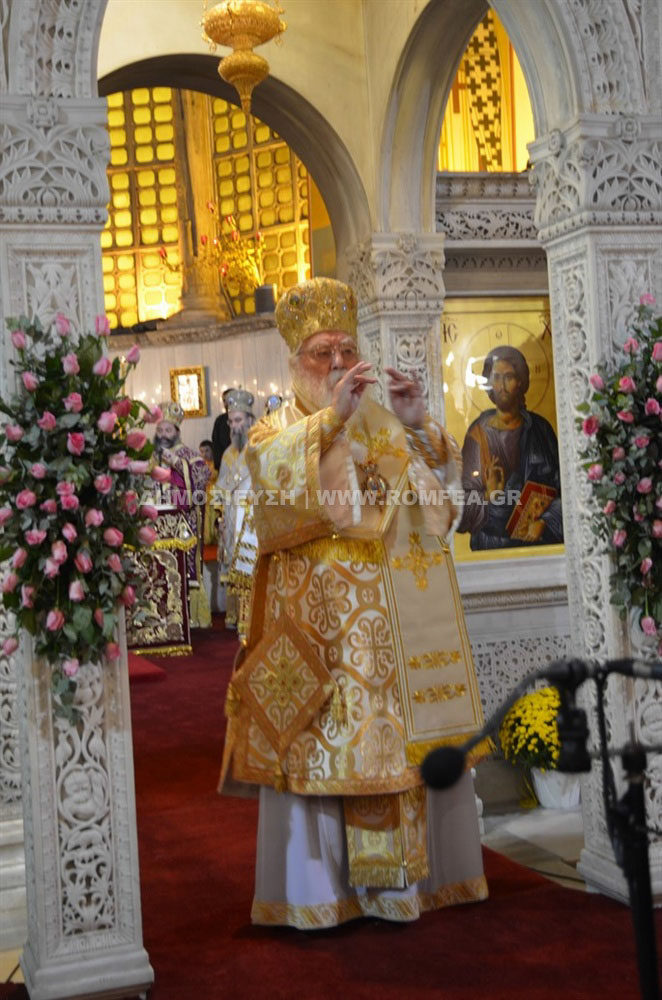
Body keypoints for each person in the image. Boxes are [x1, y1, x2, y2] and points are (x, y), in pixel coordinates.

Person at [220, 277, 488, 929]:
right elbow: (276, 505)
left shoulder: (382, 423)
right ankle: (323, 895)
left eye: (347, 350)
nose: (339, 363)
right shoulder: (274, 431)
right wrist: (331, 422)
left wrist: (418, 422)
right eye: (323, 353)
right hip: (321, 636)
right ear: (296, 361)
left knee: (397, 754)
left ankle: (403, 888)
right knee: (328, 755)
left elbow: (439, 510)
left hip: (389, 637)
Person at [457, 346, 563, 550]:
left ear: (520, 381)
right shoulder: (478, 435)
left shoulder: (540, 430)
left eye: (509, 377)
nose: (502, 386)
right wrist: (489, 496)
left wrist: (546, 522)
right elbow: (459, 507)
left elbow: (566, 488)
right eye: (496, 378)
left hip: (538, 545)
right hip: (491, 547)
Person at [152, 401, 212, 626]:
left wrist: (177, 462)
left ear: (177, 431)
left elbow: (202, 476)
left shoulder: (189, 454)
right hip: (158, 521)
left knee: (184, 565)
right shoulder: (152, 456)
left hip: (184, 521)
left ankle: (190, 616)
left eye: (168, 430)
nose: (163, 434)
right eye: (160, 430)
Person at [216, 389, 255, 631]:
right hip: (232, 518)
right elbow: (221, 488)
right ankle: (236, 615)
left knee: (249, 565)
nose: (234, 426)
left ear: (250, 419)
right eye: (231, 421)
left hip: (251, 518)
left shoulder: (260, 446)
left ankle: (252, 617)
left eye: (238, 420)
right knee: (232, 563)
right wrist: (220, 518)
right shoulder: (228, 453)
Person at [211, 389, 232, 470]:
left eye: (228, 400)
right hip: (224, 464)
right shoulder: (220, 420)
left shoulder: (247, 419)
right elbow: (216, 443)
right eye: (224, 400)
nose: (226, 404)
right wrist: (219, 464)